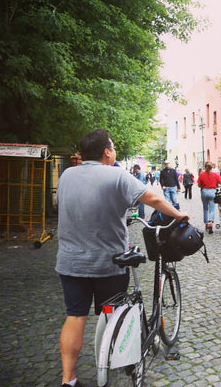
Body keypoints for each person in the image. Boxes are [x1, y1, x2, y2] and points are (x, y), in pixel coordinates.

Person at [56, 129, 189, 387]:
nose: (114, 150)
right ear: (107, 152)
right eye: (113, 147)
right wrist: (178, 215)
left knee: (75, 316)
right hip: (109, 262)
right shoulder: (116, 175)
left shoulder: (66, 175)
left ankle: (68, 379)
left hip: (70, 262)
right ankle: (124, 359)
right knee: (114, 311)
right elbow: (153, 198)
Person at [197, 161, 221, 234]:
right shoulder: (215, 175)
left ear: (205, 166)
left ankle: (206, 225)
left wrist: (203, 186)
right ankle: (211, 222)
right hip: (212, 192)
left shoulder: (201, 175)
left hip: (204, 192)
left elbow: (199, 185)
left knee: (205, 209)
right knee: (212, 209)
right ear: (211, 167)